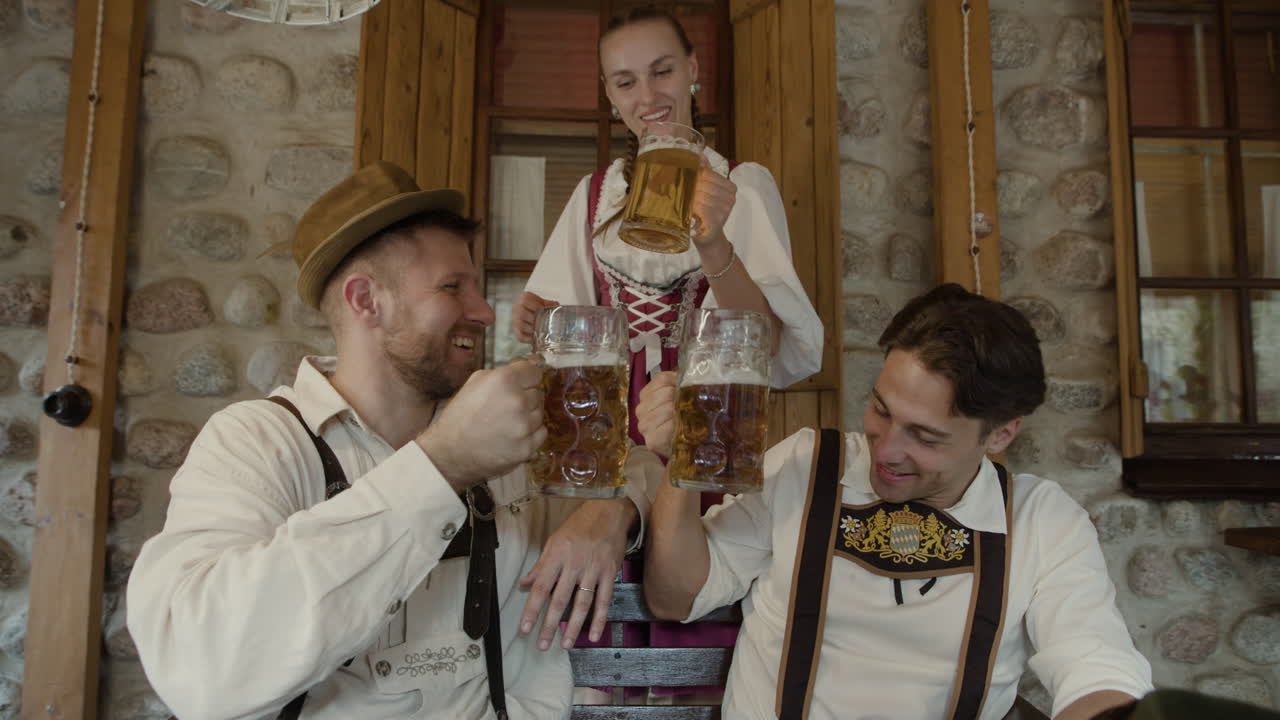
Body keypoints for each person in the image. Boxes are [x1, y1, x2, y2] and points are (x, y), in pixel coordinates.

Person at [126, 161, 662, 720]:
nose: (483, 313)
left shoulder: (510, 436)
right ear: (366, 301)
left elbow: (642, 466)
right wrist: (441, 464)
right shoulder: (258, 443)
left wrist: (612, 511)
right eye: (453, 287)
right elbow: (200, 672)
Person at [639, 283, 1155, 720]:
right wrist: (685, 455)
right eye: (881, 410)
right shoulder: (805, 465)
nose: (886, 450)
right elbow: (675, 596)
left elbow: (1096, 668)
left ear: (1000, 435)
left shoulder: (1043, 522)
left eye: (925, 437)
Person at [510, 7, 824, 700]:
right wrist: (538, 321)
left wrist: (714, 244)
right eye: (624, 82)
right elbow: (558, 339)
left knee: (702, 655)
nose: (646, 96)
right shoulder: (593, 199)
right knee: (595, 655)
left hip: (707, 452)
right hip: (603, 465)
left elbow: (766, 342)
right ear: (608, 95)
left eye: (661, 71)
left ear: (694, 72)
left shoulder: (743, 186)